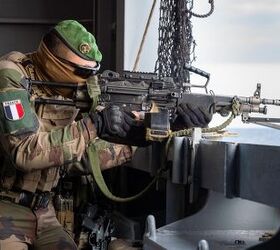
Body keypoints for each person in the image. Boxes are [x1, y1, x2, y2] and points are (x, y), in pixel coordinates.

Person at [0, 20, 212, 250]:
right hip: (6, 206)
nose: (88, 79)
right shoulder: (11, 75)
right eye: (82, 71)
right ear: (54, 61)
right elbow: (24, 152)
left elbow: (81, 157)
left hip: (44, 209)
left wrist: (167, 127)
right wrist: (94, 125)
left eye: (92, 71)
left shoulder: (73, 89)